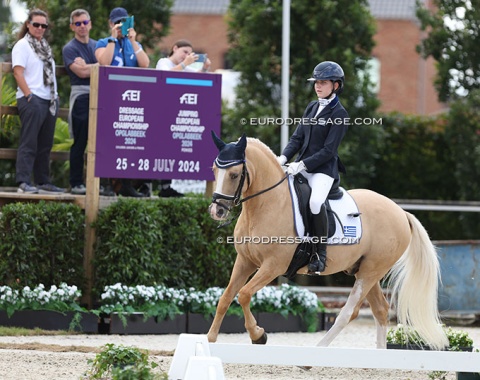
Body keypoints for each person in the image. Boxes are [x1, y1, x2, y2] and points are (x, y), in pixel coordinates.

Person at [277, 61, 349, 274]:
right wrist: (281, 159)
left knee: (316, 202)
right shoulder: (311, 106)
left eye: (323, 82)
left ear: (335, 86)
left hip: (323, 171)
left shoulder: (339, 114)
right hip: (300, 166)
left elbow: (328, 151)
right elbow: (297, 138)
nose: (318, 86)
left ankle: (320, 254)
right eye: (316, 82)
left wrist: (302, 164)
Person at [95, 7, 150, 197]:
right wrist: (112, 38)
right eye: (118, 23)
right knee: (105, 143)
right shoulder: (103, 42)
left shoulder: (133, 44)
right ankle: (105, 184)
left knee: (127, 142)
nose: (121, 26)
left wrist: (133, 41)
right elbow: (105, 62)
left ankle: (126, 184)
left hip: (130, 102)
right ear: (111, 23)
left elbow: (145, 64)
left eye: (124, 22)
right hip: (108, 100)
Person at [11, 9, 65, 194]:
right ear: (28, 24)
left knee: (45, 144)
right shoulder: (22, 45)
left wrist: (55, 96)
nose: (40, 28)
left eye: (44, 25)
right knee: (29, 142)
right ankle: (23, 182)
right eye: (36, 24)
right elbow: (18, 72)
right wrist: (29, 95)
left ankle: (43, 181)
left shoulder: (44, 46)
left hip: (49, 100)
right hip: (32, 99)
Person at [62, 9, 114, 197]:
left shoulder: (98, 45)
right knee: (80, 141)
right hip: (82, 98)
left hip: (103, 97)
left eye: (85, 22)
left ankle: (101, 184)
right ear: (72, 27)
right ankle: (76, 183)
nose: (82, 26)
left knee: (103, 142)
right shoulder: (70, 48)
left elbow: (108, 66)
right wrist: (97, 66)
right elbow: (82, 73)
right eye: (78, 23)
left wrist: (90, 65)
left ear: (90, 24)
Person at [155, 39, 212, 197]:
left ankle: (167, 186)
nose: (186, 56)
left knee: (170, 149)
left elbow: (196, 78)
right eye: (184, 52)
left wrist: (205, 67)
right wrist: (186, 63)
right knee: (157, 150)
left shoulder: (184, 67)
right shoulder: (163, 62)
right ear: (174, 48)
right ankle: (154, 185)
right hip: (159, 111)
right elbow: (165, 76)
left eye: (189, 53)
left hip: (175, 111)